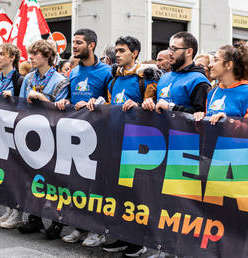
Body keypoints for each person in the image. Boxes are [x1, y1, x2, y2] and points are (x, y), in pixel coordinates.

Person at [87, 36, 159, 257]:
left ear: (134, 53)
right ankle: (122, 235)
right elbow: (111, 102)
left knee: (136, 194)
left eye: (122, 50)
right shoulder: (114, 77)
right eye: (116, 51)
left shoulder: (145, 77)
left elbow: (151, 106)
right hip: (115, 141)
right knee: (117, 192)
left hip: (138, 144)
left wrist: (140, 105)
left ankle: (139, 241)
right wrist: (96, 103)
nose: (117, 54)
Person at [55, 28, 112, 247]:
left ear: (91, 45)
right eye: (74, 42)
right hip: (76, 136)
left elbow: (110, 102)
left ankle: (98, 230)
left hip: (99, 137)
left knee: (95, 187)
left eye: (79, 43)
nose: (74, 46)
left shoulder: (106, 72)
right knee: (76, 184)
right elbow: (68, 97)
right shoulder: (74, 72)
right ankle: (79, 226)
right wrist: (64, 102)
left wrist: (96, 103)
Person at [17, 39, 70, 240]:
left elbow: (61, 109)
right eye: (31, 53)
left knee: (55, 179)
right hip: (32, 133)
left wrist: (41, 98)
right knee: (34, 176)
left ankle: (58, 220)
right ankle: (35, 217)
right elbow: (21, 105)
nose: (31, 57)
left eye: (36, 53)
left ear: (47, 56)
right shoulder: (28, 78)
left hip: (54, 134)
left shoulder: (60, 80)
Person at [0, 43, 24, 229]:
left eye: (2, 54)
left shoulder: (19, 80)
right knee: (4, 172)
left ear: (12, 58)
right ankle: (9, 209)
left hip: (14, 130)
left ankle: (18, 212)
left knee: (15, 171)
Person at [194, 45, 248, 124]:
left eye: (215, 60)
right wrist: (201, 118)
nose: (210, 65)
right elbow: (208, 126)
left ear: (228, 65)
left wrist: (228, 122)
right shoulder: (213, 92)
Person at [152, 32, 210, 114]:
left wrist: (171, 107)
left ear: (189, 52)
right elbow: (158, 104)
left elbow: (201, 115)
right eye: (169, 49)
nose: (169, 53)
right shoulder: (164, 77)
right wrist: (146, 104)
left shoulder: (199, 80)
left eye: (174, 49)